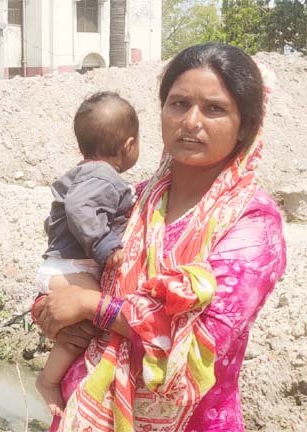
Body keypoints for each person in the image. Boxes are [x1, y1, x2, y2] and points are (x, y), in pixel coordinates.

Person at [33, 42, 287, 432]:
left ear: (245, 126)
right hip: (85, 412)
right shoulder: (131, 200)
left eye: (214, 109)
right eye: (179, 104)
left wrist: (90, 305)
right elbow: (64, 269)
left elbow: (205, 336)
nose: (191, 121)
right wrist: (49, 311)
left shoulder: (252, 223)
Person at [34, 92, 139, 416]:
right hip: (72, 268)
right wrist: (105, 244)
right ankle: (48, 380)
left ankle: (54, 378)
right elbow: (79, 207)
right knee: (98, 315)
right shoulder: (102, 176)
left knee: (85, 325)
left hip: (63, 266)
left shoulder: (84, 173)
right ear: (129, 145)